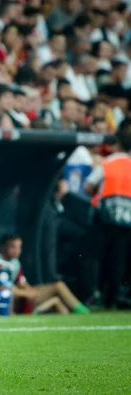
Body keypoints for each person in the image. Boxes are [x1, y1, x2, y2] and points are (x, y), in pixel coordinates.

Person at [84, 118, 131, 308]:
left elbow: (88, 186)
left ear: (115, 145)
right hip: (127, 219)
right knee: (118, 260)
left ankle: (91, 294)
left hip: (104, 217)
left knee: (92, 256)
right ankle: (112, 298)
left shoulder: (107, 163)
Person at [0, 234, 90, 315]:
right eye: (13, 247)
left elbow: (22, 282)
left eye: (19, 247)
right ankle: (84, 313)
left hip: (20, 297)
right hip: (9, 300)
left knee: (57, 299)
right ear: (2, 247)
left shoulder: (15, 263)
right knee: (58, 286)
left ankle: (81, 316)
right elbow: (2, 288)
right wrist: (27, 294)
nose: (17, 251)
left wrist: (30, 292)